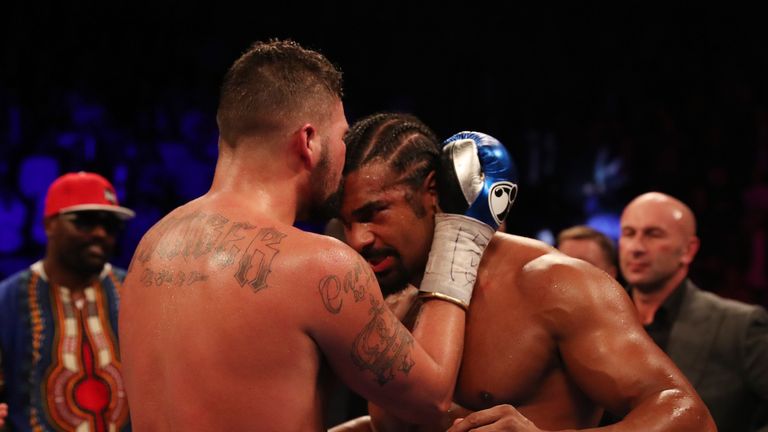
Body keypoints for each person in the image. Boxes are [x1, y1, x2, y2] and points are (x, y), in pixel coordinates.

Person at [118, 40, 502, 432]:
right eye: (341, 137)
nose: (343, 151)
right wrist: (460, 236)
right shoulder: (317, 266)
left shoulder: (151, 248)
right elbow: (432, 399)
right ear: (308, 141)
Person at [332, 112, 715, 431]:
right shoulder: (389, 302)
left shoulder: (551, 283)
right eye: (346, 222)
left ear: (433, 194)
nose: (358, 239)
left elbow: (688, 416)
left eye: (372, 214)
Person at [619, 191, 768, 431]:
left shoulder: (740, 326)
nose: (636, 247)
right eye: (629, 233)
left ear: (688, 250)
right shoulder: (598, 319)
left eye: (652, 234)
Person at [0, 171, 135, 431]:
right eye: (85, 221)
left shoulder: (134, 292)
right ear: (49, 224)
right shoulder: (6, 302)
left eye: (110, 225)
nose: (100, 233)